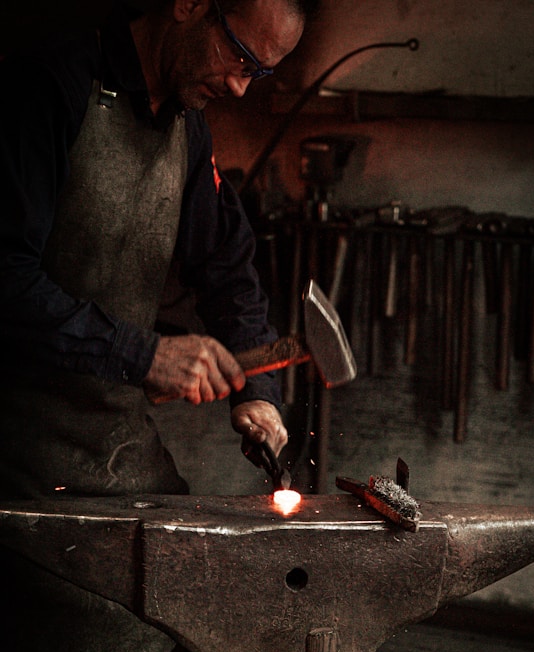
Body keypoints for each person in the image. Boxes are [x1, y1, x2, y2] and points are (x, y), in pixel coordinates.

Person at [0, 0, 318, 498]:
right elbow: (6, 278)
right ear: (188, 4)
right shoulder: (51, 83)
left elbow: (226, 267)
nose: (239, 87)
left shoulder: (186, 123)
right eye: (238, 55)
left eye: (257, 72)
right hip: (18, 449)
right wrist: (144, 355)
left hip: (115, 445)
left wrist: (257, 393)